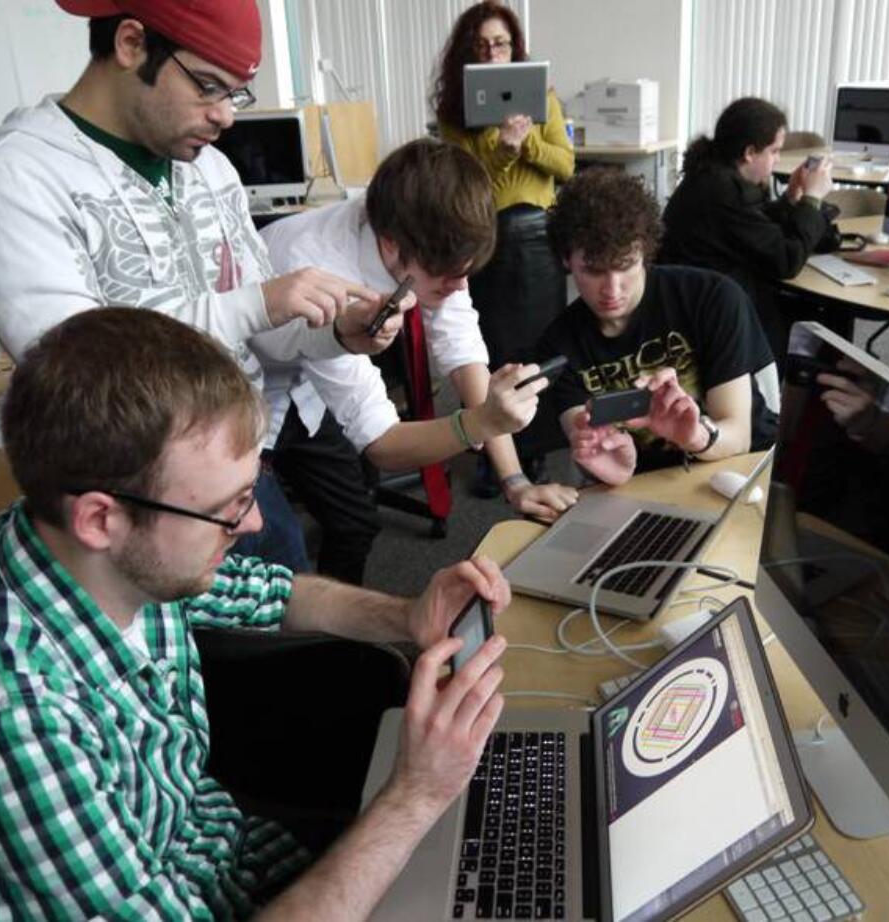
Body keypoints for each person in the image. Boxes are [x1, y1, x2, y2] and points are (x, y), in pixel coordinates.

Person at [0, 307, 509, 919]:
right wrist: (414, 798)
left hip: (228, 857)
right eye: (230, 507)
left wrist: (408, 616)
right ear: (102, 518)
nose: (258, 522)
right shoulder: (9, 734)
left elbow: (274, 593)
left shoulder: (92, 549)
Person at [0, 0, 396, 573]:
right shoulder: (16, 176)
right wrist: (254, 304)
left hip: (244, 480)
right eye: (209, 86)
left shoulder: (209, 170)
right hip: (136, 517)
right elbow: (74, 372)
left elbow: (261, 336)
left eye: (234, 94)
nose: (226, 117)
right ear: (132, 44)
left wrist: (331, 331)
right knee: (187, 660)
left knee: (291, 647)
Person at [256, 139, 579, 585]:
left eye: (465, 273)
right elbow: (382, 443)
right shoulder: (317, 267)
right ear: (390, 245)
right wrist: (476, 424)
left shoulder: (431, 244)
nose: (459, 285)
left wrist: (516, 482)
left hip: (303, 390)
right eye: (448, 278)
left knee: (354, 522)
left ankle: (334, 639)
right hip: (239, 396)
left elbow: (462, 350)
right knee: (273, 561)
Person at [538, 168, 777, 486]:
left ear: (645, 251)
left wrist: (695, 436)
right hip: (648, 487)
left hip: (742, 469)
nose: (612, 289)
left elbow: (739, 437)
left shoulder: (710, 298)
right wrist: (608, 464)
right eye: (594, 271)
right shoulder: (560, 345)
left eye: (625, 266)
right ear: (567, 260)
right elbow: (586, 441)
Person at [431, 1, 574, 493]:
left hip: (537, 236)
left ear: (515, 48)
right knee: (490, 348)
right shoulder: (456, 114)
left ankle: (533, 451)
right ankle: (497, 452)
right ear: (466, 53)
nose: (492, 52)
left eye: (501, 43)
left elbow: (566, 165)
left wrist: (527, 142)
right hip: (486, 236)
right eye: (481, 45)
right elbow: (468, 189)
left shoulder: (544, 99)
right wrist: (502, 148)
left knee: (537, 349)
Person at [659, 96, 835, 364]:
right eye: (774, 151)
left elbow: (753, 225)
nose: (777, 160)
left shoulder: (715, 175)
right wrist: (812, 199)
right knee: (822, 316)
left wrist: (790, 198)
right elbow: (787, 261)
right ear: (750, 152)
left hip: (701, 298)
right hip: (711, 314)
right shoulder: (723, 192)